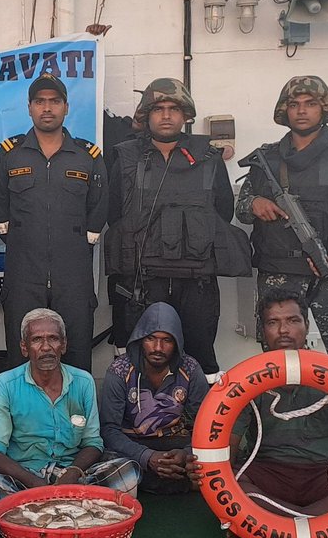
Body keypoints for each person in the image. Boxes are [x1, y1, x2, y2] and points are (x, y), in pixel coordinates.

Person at [187, 291, 328, 516]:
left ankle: (280, 521)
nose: (283, 330)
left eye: (293, 321)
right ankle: (313, 521)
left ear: (306, 325)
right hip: (268, 474)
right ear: (263, 330)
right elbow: (228, 451)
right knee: (235, 481)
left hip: (324, 473)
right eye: (273, 322)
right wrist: (204, 471)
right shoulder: (245, 383)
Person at [236, 75, 328, 369]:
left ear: (323, 108)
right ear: (284, 111)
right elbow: (241, 208)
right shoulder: (266, 158)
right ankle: (279, 414)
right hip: (279, 271)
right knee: (276, 358)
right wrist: (255, 203)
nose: (301, 110)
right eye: (294, 104)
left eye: (310, 104)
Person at [104, 77, 245, 374]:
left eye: (173, 109)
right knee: (138, 361)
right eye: (158, 109)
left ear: (185, 115)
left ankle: (200, 421)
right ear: (146, 115)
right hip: (141, 280)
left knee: (200, 359)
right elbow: (114, 213)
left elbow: (223, 210)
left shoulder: (209, 157)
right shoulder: (126, 156)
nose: (166, 115)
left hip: (196, 281)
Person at [0, 72, 107, 372]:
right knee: (22, 355)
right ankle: (24, 419)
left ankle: (76, 419)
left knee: (76, 353)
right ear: (29, 107)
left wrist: (81, 241)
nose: (47, 108)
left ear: (66, 107)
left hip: (74, 275)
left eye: (54, 101)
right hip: (23, 274)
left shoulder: (87, 155)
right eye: (40, 101)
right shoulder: (9, 156)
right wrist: (25, 241)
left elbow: (100, 204)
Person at [0, 308, 140, 507]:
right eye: (37, 340)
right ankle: (76, 509)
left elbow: (93, 443)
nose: (46, 347)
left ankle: (42, 511)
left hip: (73, 475)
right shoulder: (6, 383)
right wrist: (37, 485)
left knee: (129, 470)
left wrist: (71, 473)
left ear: (63, 345)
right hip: (25, 477)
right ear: (24, 347)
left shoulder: (83, 382)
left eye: (53, 339)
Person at [99, 302, 209, 494]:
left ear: (177, 343)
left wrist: (186, 454)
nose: (158, 347)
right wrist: (147, 457)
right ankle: (167, 482)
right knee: (117, 471)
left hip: (175, 446)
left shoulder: (191, 369)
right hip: (132, 448)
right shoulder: (119, 370)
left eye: (167, 340)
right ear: (141, 339)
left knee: (206, 465)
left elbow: (202, 426)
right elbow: (109, 430)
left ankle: (167, 479)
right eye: (151, 338)